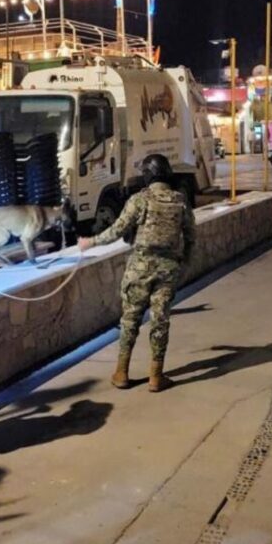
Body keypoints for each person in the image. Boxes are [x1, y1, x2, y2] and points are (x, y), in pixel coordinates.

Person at [78, 155, 196, 393]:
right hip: (168, 271)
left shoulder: (139, 200)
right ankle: (155, 376)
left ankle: (121, 373)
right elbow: (191, 236)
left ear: (148, 175)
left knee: (130, 320)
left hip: (139, 270)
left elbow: (117, 230)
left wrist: (90, 242)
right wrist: (184, 263)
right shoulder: (180, 200)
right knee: (160, 321)